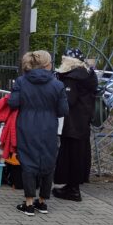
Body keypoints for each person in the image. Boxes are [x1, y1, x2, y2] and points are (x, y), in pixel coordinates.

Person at [9, 50, 68, 216]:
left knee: (28, 162)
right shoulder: (58, 84)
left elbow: (13, 103)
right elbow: (63, 110)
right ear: (47, 64)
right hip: (49, 126)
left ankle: (28, 203)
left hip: (26, 125)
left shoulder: (21, 81)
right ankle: (42, 202)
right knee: (48, 161)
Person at [53, 48, 98, 202]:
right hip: (83, 122)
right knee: (79, 155)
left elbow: (68, 100)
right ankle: (72, 186)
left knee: (71, 155)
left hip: (72, 122)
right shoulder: (88, 75)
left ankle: (72, 190)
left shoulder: (72, 78)